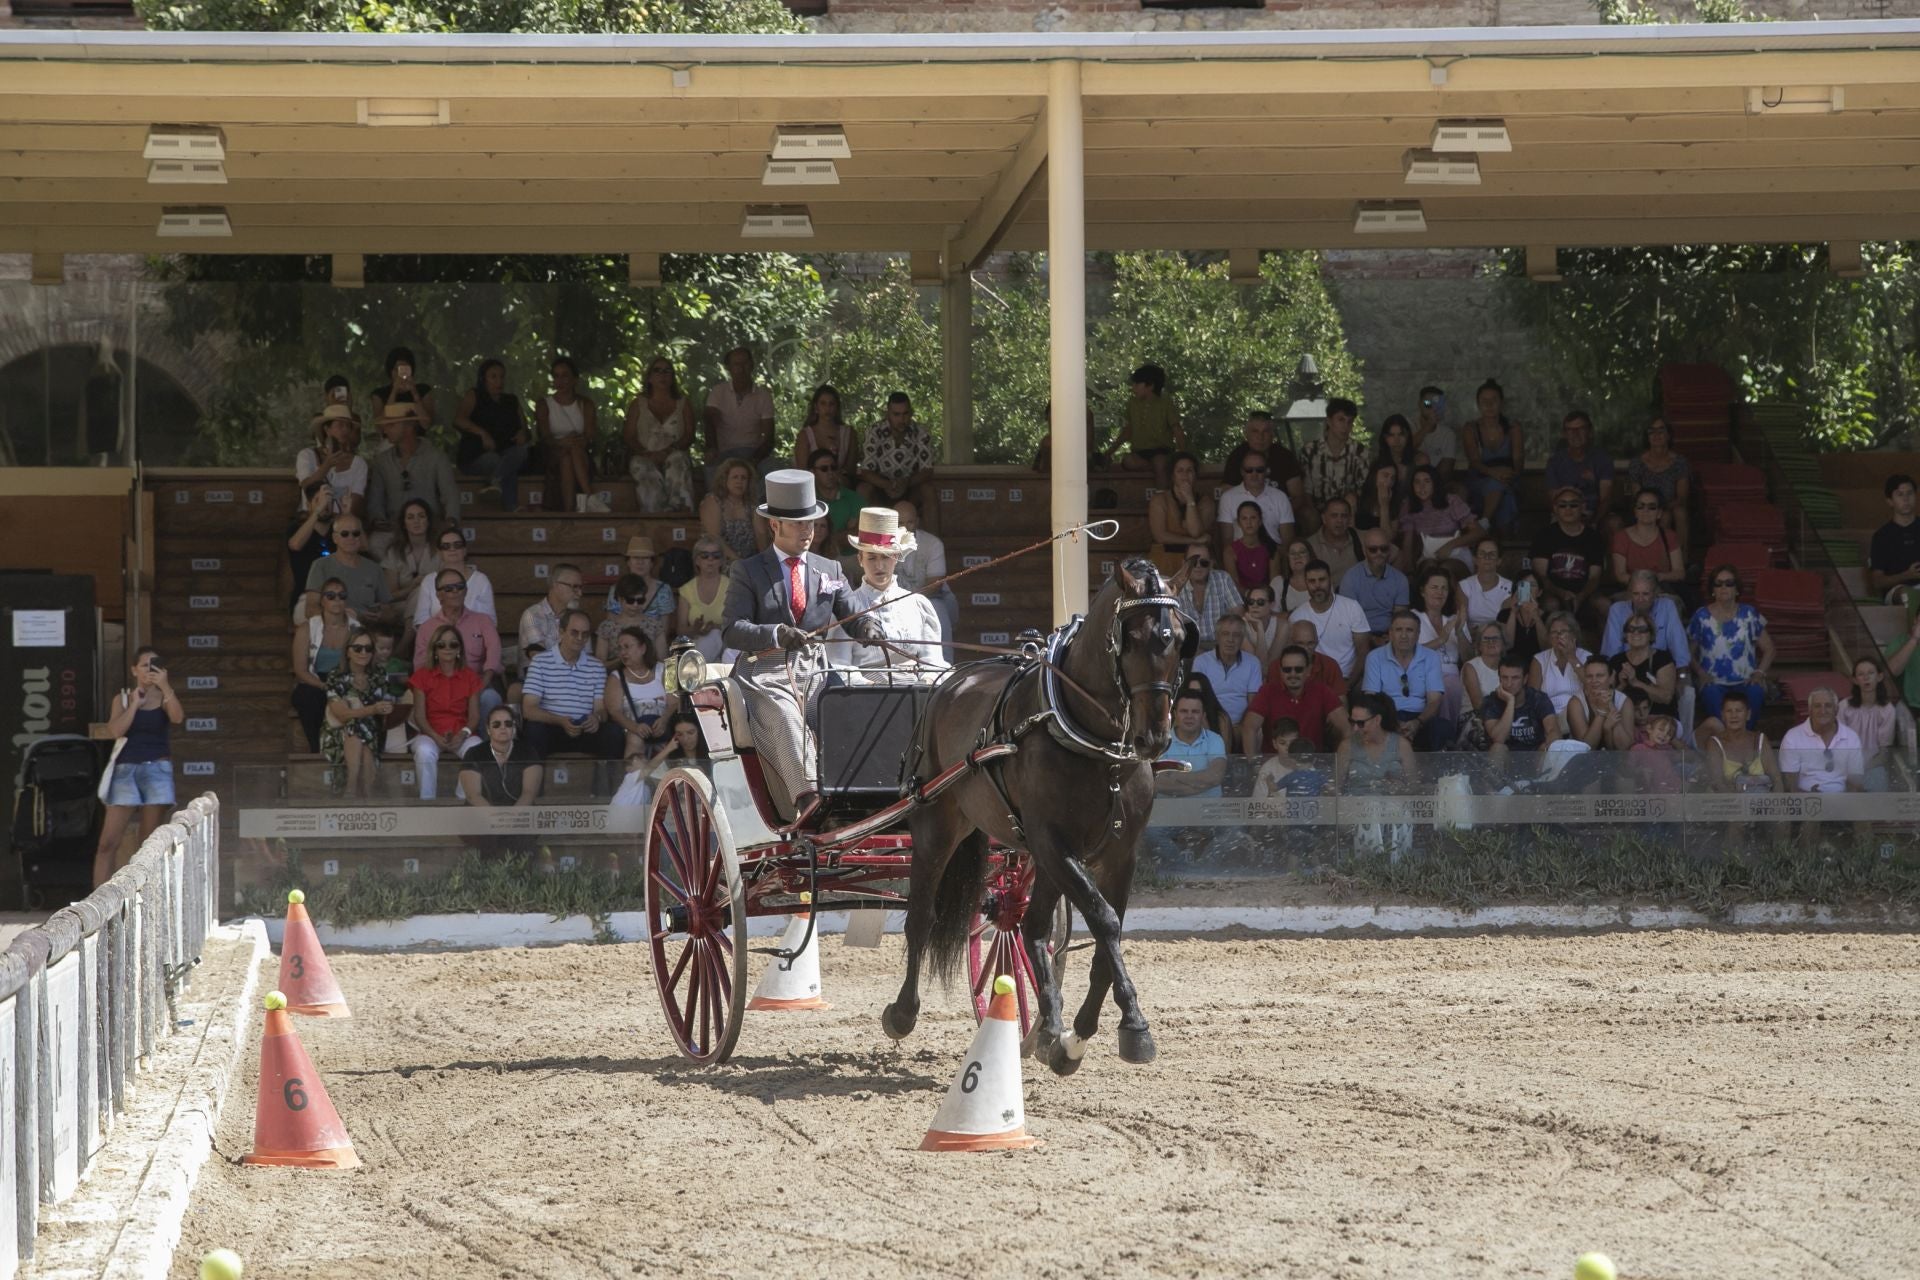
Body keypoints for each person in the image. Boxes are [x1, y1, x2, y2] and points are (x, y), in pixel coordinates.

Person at [721, 468, 885, 815]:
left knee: (850, 705)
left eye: (811, 523)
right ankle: (807, 798)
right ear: (774, 525)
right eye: (798, 524)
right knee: (786, 716)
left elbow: (853, 613)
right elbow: (732, 629)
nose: (807, 531)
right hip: (764, 672)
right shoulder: (748, 571)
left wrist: (868, 626)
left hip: (815, 671)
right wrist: (775, 633)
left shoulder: (830, 569)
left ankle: (864, 795)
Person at [94, 648, 183, 887]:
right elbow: (115, 731)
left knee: (148, 841)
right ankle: (96, 905)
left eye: (154, 665)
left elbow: (177, 717)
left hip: (157, 770)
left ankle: (144, 898)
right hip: (126, 770)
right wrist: (134, 705)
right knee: (107, 842)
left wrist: (165, 687)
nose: (149, 671)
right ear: (134, 670)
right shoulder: (122, 698)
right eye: (144, 665)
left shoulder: (165, 696)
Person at [831, 507, 947, 684]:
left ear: (896, 557)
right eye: (871, 558)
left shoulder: (918, 604)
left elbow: (933, 661)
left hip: (915, 695)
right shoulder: (847, 608)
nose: (879, 566)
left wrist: (927, 681)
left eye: (885, 557)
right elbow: (839, 665)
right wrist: (870, 687)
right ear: (860, 559)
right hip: (864, 699)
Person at [521, 608, 623, 759]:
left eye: (585, 634)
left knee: (613, 732)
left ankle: (609, 782)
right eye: (574, 632)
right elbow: (529, 709)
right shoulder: (540, 662)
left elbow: (601, 709)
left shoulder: (597, 666)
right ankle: (535, 782)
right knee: (533, 730)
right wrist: (560, 721)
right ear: (561, 632)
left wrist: (597, 718)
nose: (580, 638)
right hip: (552, 729)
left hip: (584, 730)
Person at [291, 403, 365, 598]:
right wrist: (327, 465)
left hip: (339, 525)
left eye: (347, 426)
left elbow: (356, 500)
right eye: (339, 425)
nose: (344, 430)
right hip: (309, 521)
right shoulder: (307, 455)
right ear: (326, 428)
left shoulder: (359, 464)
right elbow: (306, 486)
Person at [407, 623, 485, 800]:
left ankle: (461, 801)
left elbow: (474, 717)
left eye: (453, 644)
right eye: (441, 645)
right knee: (425, 752)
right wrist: (435, 736)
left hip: (462, 732)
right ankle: (427, 802)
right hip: (429, 733)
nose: (447, 648)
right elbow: (420, 716)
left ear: (460, 649)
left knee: (477, 749)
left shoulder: (470, 676)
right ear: (434, 650)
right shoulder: (422, 675)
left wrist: (462, 735)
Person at [366, 400, 460, 546]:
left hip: (430, 527)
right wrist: (378, 521)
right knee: (376, 542)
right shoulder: (381, 461)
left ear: (409, 426)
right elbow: (375, 500)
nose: (385, 431)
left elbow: (450, 495)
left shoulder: (436, 457)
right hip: (395, 528)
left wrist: (450, 522)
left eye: (391, 425)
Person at [1688, 566, 1774, 724]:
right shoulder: (1701, 616)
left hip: (1746, 680)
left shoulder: (1749, 613)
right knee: (1710, 693)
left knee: (1756, 691)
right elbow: (1688, 652)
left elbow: (1769, 649)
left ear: (1737, 589)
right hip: (1713, 682)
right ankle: (1723, 740)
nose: (1723, 587)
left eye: (1729, 583)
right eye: (1718, 584)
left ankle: (1746, 740)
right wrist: (1700, 673)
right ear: (1712, 589)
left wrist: (1759, 673)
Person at [321, 631, 402, 797]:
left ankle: (351, 790)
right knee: (354, 726)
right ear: (348, 651)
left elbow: (387, 702)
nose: (363, 653)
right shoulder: (336, 676)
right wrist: (372, 709)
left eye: (368, 648)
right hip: (338, 731)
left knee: (361, 734)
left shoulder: (378, 674)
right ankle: (366, 793)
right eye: (357, 648)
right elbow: (342, 715)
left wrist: (387, 707)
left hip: (371, 729)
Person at [1360, 609, 1450, 749]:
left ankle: (1431, 769)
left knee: (1442, 727)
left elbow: (1434, 700)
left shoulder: (1431, 657)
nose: (1403, 635)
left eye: (1409, 630)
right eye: (1398, 630)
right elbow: (1371, 699)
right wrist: (1393, 724)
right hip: (1387, 716)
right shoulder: (1375, 657)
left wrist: (1417, 722)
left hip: (1419, 717)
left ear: (1418, 634)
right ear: (1390, 633)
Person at [453, 358, 531, 512]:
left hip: (506, 452)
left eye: (501, 377)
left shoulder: (511, 401)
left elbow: (525, 430)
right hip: (476, 455)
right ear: (484, 379)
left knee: (519, 453)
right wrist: (482, 433)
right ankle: (511, 505)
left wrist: (523, 434)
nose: (498, 381)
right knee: (497, 461)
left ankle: (494, 481)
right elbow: (458, 420)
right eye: (493, 377)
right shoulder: (474, 395)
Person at [623, 355, 696, 514]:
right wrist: (646, 454)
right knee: (642, 468)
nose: (662, 375)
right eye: (657, 371)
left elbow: (690, 435)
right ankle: (655, 517)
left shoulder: (683, 403)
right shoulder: (638, 404)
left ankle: (681, 514)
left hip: (674, 452)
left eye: (667, 371)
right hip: (645, 455)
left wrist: (668, 451)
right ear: (649, 377)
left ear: (672, 377)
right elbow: (629, 436)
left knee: (678, 462)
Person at [1243, 646, 1347, 754]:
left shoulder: (1322, 691)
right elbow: (1249, 727)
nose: (1293, 674)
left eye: (1299, 669)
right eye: (1287, 670)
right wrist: (1253, 766)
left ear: (1308, 670)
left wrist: (1340, 766)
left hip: (1312, 764)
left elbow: (1346, 729)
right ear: (1280, 671)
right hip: (1274, 765)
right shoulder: (1267, 691)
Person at [413, 567, 504, 690]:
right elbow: (420, 665)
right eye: (449, 588)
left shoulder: (483, 621)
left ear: (466, 591)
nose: (455, 591)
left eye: (460, 586)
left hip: (478, 683)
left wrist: (481, 685)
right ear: (439, 595)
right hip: (439, 687)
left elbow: (494, 655)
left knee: (489, 699)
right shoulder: (426, 628)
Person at [292, 578, 356, 752]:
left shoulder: (356, 629)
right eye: (330, 595)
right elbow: (300, 670)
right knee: (307, 696)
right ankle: (317, 749)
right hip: (316, 679)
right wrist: (324, 685)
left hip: (346, 679)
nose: (337, 600)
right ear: (322, 600)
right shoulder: (307, 628)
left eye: (342, 596)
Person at [1529, 486, 1608, 627]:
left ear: (1583, 507)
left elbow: (1594, 577)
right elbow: (1540, 576)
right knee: (1551, 604)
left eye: (1573, 504)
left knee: (1604, 604)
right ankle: (1550, 648)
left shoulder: (1594, 537)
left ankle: (1607, 649)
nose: (1568, 509)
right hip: (1552, 591)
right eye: (1562, 505)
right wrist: (1561, 593)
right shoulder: (1544, 536)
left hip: (1586, 593)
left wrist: (1581, 596)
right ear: (1555, 508)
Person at [892, 500, 957, 662]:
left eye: (910, 522)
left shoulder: (932, 543)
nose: (905, 527)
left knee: (938, 612)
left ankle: (945, 665)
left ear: (917, 522)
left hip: (930, 597)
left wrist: (906, 601)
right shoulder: (882, 545)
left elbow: (934, 584)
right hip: (890, 599)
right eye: (899, 523)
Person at [704, 345, 777, 481]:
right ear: (729, 368)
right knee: (711, 463)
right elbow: (709, 422)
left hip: (752, 451)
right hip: (724, 451)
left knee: (770, 468)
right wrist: (712, 448)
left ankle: (760, 503)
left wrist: (754, 460)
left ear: (752, 365)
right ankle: (715, 501)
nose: (741, 368)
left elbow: (769, 437)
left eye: (745, 363)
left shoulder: (763, 396)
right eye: (736, 364)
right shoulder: (718, 392)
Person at [1289, 561, 1371, 682]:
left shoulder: (1351, 607)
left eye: (1322, 580)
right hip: (1312, 681)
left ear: (1330, 580)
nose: (1317, 585)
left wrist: (1348, 686)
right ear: (1306, 583)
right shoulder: (1297, 616)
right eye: (1312, 581)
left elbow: (1363, 652)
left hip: (1348, 677)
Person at [535, 356, 598, 514]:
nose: (560, 380)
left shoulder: (586, 404)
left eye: (565, 375)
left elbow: (590, 435)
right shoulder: (544, 404)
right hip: (553, 454)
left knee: (572, 452)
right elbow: (545, 437)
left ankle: (573, 509)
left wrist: (575, 443)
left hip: (580, 452)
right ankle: (588, 498)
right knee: (566, 456)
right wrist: (562, 443)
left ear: (574, 379)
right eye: (556, 376)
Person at [1461, 378, 1524, 534]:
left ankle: (1486, 528)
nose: (1489, 405)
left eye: (1494, 400)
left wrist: (1510, 475)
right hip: (1479, 480)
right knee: (1497, 486)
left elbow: (1518, 460)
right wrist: (1493, 473)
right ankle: (1485, 525)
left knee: (1506, 494)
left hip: (1507, 478)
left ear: (1501, 402)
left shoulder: (1513, 427)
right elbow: (1474, 461)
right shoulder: (1471, 429)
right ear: (1478, 403)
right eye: (1484, 401)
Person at [300, 514, 390, 623]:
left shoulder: (374, 568)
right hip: (334, 629)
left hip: (368, 629)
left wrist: (381, 615)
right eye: (344, 534)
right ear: (335, 538)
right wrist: (344, 615)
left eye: (355, 533)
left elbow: (388, 609)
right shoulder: (320, 566)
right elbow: (310, 609)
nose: (350, 538)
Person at [1839, 656, 1911, 792]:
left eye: (1870, 673)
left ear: (1879, 677)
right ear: (1854, 680)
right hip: (1845, 766)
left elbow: (1884, 753)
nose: (1866, 678)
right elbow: (1838, 745)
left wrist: (1863, 770)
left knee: (1876, 791)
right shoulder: (1844, 707)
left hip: (1874, 766)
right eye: (1861, 674)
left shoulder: (1887, 710)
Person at [856, 392, 936, 510]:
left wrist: (906, 483)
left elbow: (927, 470)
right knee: (863, 489)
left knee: (928, 490)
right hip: (881, 487)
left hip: (910, 486)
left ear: (911, 413)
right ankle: (859, 528)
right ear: (887, 414)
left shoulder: (921, 432)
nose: (901, 419)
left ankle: (931, 530)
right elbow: (866, 471)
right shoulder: (875, 431)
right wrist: (887, 485)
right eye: (896, 414)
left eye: (905, 414)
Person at [1298, 397, 1369, 529]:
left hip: (1347, 510)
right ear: (1329, 421)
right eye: (1341, 420)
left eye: (1349, 422)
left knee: (1351, 501)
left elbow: (1363, 487)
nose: (1345, 426)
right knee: (1307, 514)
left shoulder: (1359, 452)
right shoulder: (1310, 451)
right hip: (1319, 509)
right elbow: (1306, 489)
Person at [460, 706, 543, 816]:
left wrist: (512, 818)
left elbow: (529, 793)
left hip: (520, 816)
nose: (503, 727)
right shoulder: (474, 753)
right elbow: (473, 795)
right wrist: (496, 819)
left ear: (513, 728)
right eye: (496, 724)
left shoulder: (528, 751)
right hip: (481, 816)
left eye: (508, 724)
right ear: (488, 730)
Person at [1625, 415, 1691, 553]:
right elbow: (1637, 498)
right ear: (1647, 436)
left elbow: (1682, 497)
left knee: (1679, 512)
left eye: (1661, 431)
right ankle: (1661, 560)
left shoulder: (1680, 462)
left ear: (1669, 435)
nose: (1656, 435)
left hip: (1672, 506)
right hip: (1646, 508)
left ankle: (1682, 562)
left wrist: (1664, 507)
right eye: (1651, 431)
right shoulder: (1637, 463)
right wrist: (1656, 510)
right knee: (1664, 517)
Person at [1112, 363, 1184, 489]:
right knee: (1127, 461)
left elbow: (1176, 428)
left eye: (1137, 384)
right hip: (1140, 452)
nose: (1133, 388)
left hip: (1161, 450)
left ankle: (1163, 499)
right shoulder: (1132, 403)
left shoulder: (1166, 402)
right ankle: (1154, 467)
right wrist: (1110, 451)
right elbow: (1128, 430)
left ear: (1150, 385)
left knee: (1160, 462)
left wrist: (1183, 455)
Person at [1333, 690, 1418, 799]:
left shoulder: (1401, 745)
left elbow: (1414, 787)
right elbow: (1336, 787)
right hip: (1355, 808)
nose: (1355, 729)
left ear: (1377, 720)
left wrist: (1401, 789)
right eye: (1352, 722)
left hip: (1393, 808)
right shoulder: (1347, 746)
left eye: (1360, 723)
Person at [605, 626, 672, 761]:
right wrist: (635, 727)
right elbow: (615, 712)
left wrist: (664, 720)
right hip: (631, 729)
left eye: (627, 647)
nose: (623, 652)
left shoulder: (665, 670)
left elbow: (675, 702)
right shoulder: (616, 677)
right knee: (635, 738)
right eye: (620, 648)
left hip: (662, 726)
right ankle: (633, 780)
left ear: (642, 648)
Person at [1780, 687, 1865, 794]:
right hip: (1806, 802)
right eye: (1817, 706)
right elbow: (1789, 787)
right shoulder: (1792, 737)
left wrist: (1845, 804)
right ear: (1809, 710)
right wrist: (1813, 800)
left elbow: (1856, 783)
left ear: (1836, 710)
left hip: (1842, 802)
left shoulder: (1851, 737)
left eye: (1828, 706)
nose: (1823, 711)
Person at [1399, 464, 1481, 572]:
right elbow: (1408, 542)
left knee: (1446, 569)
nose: (1421, 486)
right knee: (1429, 568)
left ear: (1435, 483)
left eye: (1427, 481)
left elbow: (1478, 532)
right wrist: (1408, 569)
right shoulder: (1409, 506)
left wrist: (1449, 546)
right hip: (1428, 556)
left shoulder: (1451, 501)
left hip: (1456, 554)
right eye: (1417, 482)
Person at [409, 526, 497, 627]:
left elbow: (490, 621)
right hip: (436, 639)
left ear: (464, 550)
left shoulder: (481, 580)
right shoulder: (429, 581)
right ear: (439, 552)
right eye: (446, 546)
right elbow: (420, 621)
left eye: (457, 545)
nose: (452, 549)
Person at [601, 539, 675, 655]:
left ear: (652, 563)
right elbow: (612, 629)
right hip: (621, 650)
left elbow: (663, 631)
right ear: (628, 562)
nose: (640, 562)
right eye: (635, 557)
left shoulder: (664, 590)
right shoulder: (615, 590)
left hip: (652, 650)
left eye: (645, 558)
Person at [1599, 570, 1691, 663]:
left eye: (1645, 594)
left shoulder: (1667, 606)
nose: (1640, 599)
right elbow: (1611, 651)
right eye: (1636, 594)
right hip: (1626, 668)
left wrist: (1682, 672)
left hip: (1660, 668)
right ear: (1629, 593)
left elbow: (1678, 645)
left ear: (1655, 593)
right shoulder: (1617, 610)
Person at [1483, 652, 1562, 759]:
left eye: (1515, 678)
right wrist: (1510, 702)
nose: (1509, 683)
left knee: (1546, 748)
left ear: (1525, 679)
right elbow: (1499, 738)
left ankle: (1545, 776)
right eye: (1505, 678)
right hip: (1506, 758)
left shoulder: (1538, 698)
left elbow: (1553, 730)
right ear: (1499, 678)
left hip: (1535, 757)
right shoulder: (1491, 701)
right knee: (1497, 748)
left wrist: (1549, 745)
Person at [1148, 451, 1216, 577]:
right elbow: (1160, 536)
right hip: (1164, 561)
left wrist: (1190, 500)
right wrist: (1193, 541)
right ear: (1172, 476)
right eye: (1180, 471)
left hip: (1196, 563)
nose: (1185, 475)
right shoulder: (1159, 500)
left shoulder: (1206, 502)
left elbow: (1195, 532)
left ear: (1195, 475)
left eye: (1189, 470)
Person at [1543, 409, 1615, 525]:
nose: (1575, 434)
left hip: (1595, 514)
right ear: (1564, 434)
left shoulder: (1602, 459)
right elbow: (1554, 500)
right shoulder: (1555, 462)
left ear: (1590, 432)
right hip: (1565, 514)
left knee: (1613, 524)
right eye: (1570, 430)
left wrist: (1592, 523)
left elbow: (1605, 499)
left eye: (1581, 429)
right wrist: (1572, 520)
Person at [1221, 411, 1305, 509]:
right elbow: (1226, 494)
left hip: (1280, 510)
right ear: (1246, 434)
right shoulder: (1237, 456)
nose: (1260, 437)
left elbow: (1298, 496)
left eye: (1265, 431)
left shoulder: (1285, 456)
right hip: (1245, 515)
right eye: (1255, 431)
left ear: (1272, 434)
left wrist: (1281, 514)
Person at [1214, 450, 1296, 550]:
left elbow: (1288, 542)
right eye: (1249, 470)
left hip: (1274, 554)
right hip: (1240, 556)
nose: (1254, 474)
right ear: (1242, 471)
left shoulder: (1280, 497)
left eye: (1259, 470)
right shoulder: (1227, 498)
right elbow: (1227, 543)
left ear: (1266, 471)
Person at [1703, 689, 1779, 793]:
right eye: (1729, 711)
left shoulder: (1760, 739)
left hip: (1761, 804)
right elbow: (1718, 784)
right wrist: (1741, 806)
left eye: (1738, 711)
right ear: (1722, 715)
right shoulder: (1714, 743)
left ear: (1748, 714)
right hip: (1729, 805)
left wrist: (1778, 806)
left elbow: (1776, 780)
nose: (1734, 715)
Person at [1193, 613, 1262, 728]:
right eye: (1225, 634)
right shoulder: (1201, 662)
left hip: (1242, 724)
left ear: (1242, 638)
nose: (1230, 640)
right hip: (1210, 721)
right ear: (1217, 636)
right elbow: (1197, 698)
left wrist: (1241, 726)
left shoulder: (1253, 663)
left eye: (1236, 635)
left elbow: (1253, 703)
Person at [1611, 491, 1685, 595]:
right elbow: (1620, 575)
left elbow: (1679, 572)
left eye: (1652, 507)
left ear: (1659, 513)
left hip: (1662, 591)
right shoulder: (1621, 537)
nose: (1645, 510)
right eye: (1641, 506)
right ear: (1635, 511)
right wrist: (1643, 584)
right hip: (1630, 592)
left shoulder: (1670, 536)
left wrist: (1659, 577)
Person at [1608, 612, 1680, 721]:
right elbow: (1608, 700)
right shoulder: (1616, 660)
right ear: (1625, 634)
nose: (1636, 633)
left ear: (1651, 634)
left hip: (1660, 719)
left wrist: (1636, 682)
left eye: (1642, 629)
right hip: (1627, 719)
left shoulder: (1663, 658)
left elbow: (1666, 697)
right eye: (1631, 629)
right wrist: (1622, 685)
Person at [1156, 692, 1227, 800]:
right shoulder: (1161, 741)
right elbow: (1158, 783)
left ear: (1203, 715)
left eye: (1195, 712)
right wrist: (1200, 785)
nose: (1189, 716)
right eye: (1184, 711)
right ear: (1175, 714)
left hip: (1208, 812)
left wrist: (1174, 776)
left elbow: (1216, 776)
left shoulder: (1215, 739)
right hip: (1170, 812)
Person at [1340, 531, 1410, 637]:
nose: (1379, 553)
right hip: (1359, 634)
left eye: (1384, 549)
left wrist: (1390, 637)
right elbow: (1348, 619)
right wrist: (1372, 639)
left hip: (1391, 635)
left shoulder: (1400, 579)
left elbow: (1400, 618)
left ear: (1389, 550)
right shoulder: (1350, 577)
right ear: (1364, 551)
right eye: (1373, 550)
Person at [1173, 543, 1243, 648]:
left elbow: (1238, 614)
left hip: (1221, 646)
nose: (1198, 566)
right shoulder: (1174, 587)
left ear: (1211, 564)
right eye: (1193, 562)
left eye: (1204, 563)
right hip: (1188, 648)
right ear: (1184, 564)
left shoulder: (1223, 579)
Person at [700, 457, 767, 566]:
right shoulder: (713, 501)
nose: (739, 481)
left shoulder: (752, 505)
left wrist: (765, 562)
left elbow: (761, 535)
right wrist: (738, 562)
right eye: (735, 477)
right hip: (718, 562)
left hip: (749, 562)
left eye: (743, 478)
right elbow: (714, 537)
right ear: (725, 479)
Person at [677, 536, 733, 661]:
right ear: (697, 560)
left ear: (722, 560)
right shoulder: (687, 590)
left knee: (714, 635)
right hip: (695, 645)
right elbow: (681, 630)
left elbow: (738, 625)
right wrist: (695, 629)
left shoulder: (732, 586)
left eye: (716, 555)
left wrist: (716, 627)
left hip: (726, 646)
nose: (710, 559)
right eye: (705, 555)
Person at [1866, 473, 1920, 601]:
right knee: (1906, 594)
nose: (1906, 499)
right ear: (1890, 501)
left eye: (1910, 493)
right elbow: (1877, 582)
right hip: (1897, 590)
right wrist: (1907, 575)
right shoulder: (1882, 536)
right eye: (1900, 494)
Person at [1565, 656, 1635, 753]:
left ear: (1611, 678)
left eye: (1600, 676)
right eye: (1589, 676)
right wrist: (1602, 712)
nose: (1594, 681)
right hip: (1583, 762)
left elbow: (1625, 747)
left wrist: (1610, 705)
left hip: (1617, 762)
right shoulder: (1576, 702)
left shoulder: (1624, 701)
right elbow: (1586, 748)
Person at [1529, 611, 1591, 719]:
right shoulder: (1539, 660)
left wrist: (1572, 657)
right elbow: (1533, 698)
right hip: (1549, 717)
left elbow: (1592, 685)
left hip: (1580, 714)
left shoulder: (1586, 657)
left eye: (1563, 631)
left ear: (1573, 634)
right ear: (1548, 637)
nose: (1558, 636)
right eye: (1554, 632)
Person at [381, 498, 439, 612]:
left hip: (434, 605)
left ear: (428, 521)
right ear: (404, 524)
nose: (416, 521)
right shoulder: (394, 552)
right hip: (402, 607)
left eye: (421, 516)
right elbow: (389, 596)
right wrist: (412, 587)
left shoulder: (441, 550)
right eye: (410, 517)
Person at [518, 562, 584, 658]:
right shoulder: (533, 614)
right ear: (555, 585)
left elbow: (586, 657)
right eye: (574, 587)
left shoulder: (579, 619)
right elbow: (539, 658)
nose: (580, 593)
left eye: (581, 587)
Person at [1251, 719, 1330, 798]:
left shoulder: (1308, 766)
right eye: (1282, 743)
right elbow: (1257, 804)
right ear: (1275, 744)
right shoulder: (1267, 769)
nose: (1288, 748)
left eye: (1293, 743)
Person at [791, 384, 859, 474]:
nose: (828, 408)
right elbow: (802, 472)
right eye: (823, 403)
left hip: (841, 483)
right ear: (816, 407)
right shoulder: (805, 436)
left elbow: (851, 470)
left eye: (831, 404)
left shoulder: (849, 433)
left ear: (837, 407)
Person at [370, 345, 436, 429]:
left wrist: (414, 393)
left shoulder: (423, 390)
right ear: (391, 371)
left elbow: (426, 424)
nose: (401, 373)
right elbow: (380, 426)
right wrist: (394, 391)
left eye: (405, 369)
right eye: (397, 369)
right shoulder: (379, 394)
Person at [1460, 536, 1513, 630]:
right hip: (1470, 637)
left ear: (1499, 560)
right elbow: (1462, 623)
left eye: (1492, 554)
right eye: (1482, 553)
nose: (1487, 557)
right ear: (1475, 559)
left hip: (1498, 638)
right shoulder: (1464, 586)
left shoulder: (1510, 587)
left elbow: (1505, 625)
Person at [1225, 501, 1278, 594]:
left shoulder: (1271, 548)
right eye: (1244, 518)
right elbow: (1234, 585)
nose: (1249, 522)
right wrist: (1251, 599)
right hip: (1242, 600)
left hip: (1267, 599)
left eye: (1253, 518)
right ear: (1238, 523)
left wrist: (1262, 599)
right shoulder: (1230, 551)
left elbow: (1275, 584)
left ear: (1260, 521)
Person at [809, 448, 865, 537]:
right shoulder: (807, 500)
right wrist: (846, 533)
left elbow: (858, 534)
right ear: (812, 472)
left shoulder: (855, 499)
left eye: (833, 468)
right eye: (824, 469)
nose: (830, 472)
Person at [1306, 496, 1362, 581]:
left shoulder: (1363, 538)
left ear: (1349, 519)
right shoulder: (1310, 546)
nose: (1339, 520)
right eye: (1334, 516)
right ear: (1324, 519)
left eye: (1344, 516)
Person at [1412, 385, 1460, 482]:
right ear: (1419, 404)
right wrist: (1427, 427)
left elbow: (1446, 470)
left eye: (1437, 404)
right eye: (1427, 403)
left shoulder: (1447, 434)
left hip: (1436, 483)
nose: (1432, 408)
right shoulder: (1408, 425)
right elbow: (1404, 450)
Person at [1286, 619, 1347, 694]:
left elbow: (1341, 702)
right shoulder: (1276, 667)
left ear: (1317, 642)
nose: (1306, 648)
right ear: (1290, 642)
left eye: (1310, 643)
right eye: (1300, 643)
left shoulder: (1330, 666)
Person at [1460, 622, 1506, 718]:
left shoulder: (1509, 665)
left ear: (1503, 643)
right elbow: (1478, 705)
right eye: (1486, 639)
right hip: (1475, 718)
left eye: (1495, 638)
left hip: (1505, 716)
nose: (1491, 642)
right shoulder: (1470, 667)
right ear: (1479, 645)